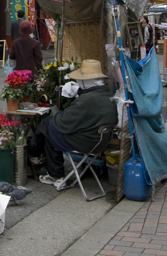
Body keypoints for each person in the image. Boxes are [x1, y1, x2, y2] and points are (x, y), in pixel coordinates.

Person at [27, 59, 119, 187]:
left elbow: (64, 122)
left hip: (86, 141)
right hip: (99, 140)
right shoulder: (106, 94)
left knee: (48, 124)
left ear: (85, 81)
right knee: (50, 130)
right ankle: (44, 162)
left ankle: (36, 156)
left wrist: (57, 112)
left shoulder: (87, 100)